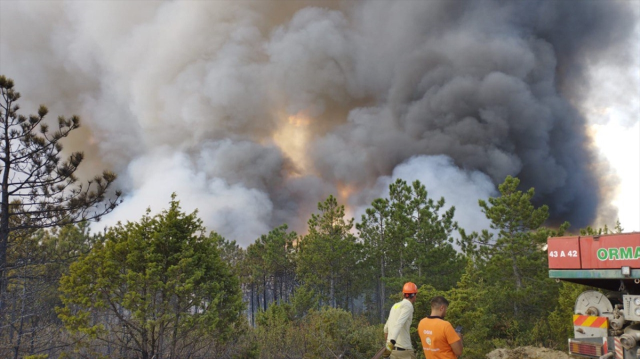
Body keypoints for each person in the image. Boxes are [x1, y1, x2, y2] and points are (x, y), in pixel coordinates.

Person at [383, 282, 418, 359]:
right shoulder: (408, 305)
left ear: (403, 294)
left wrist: (388, 346)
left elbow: (386, 328)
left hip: (392, 352)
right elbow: (399, 324)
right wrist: (391, 343)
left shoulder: (395, 306)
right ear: (414, 295)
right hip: (404, 350)